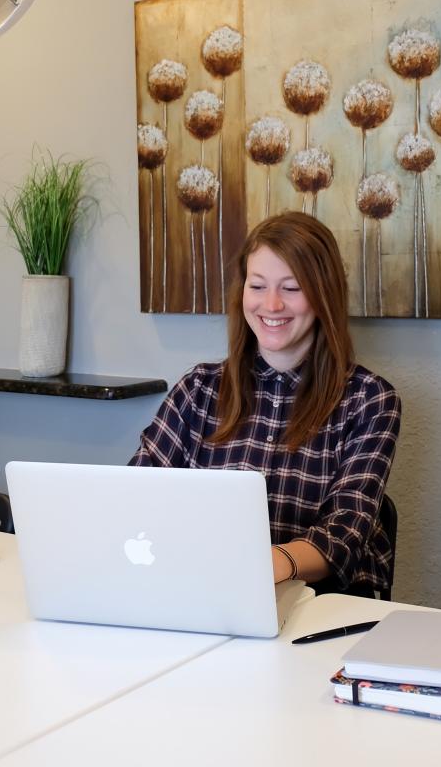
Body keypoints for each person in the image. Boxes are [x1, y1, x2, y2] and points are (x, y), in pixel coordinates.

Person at [130, 211, 401, 595]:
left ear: (324, 294)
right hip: (200, 594)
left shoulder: (369, 401)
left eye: (291, 288)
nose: (271, 305)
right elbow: (132, 497)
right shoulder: (198, 389)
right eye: (257, 286)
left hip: (321, 610)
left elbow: (343, 534)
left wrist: (263, 565)